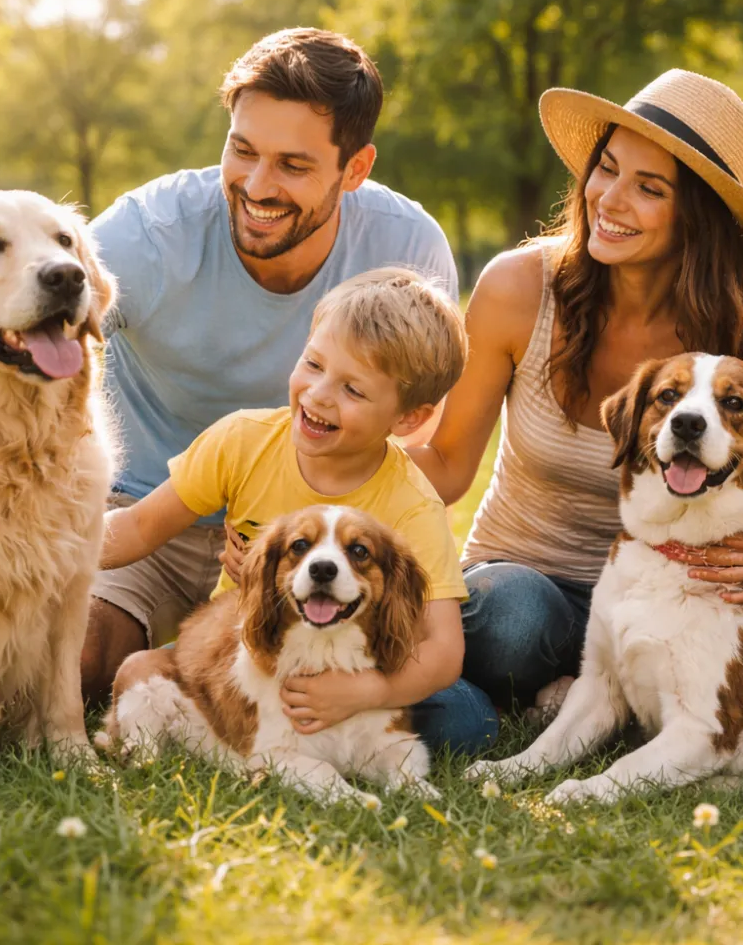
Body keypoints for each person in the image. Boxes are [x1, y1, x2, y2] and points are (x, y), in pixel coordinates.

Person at [406, 69, 743, 712]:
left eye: (649, 187)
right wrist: (315, 462)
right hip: (528, 583)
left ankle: (602, 691)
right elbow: (445, 465)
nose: (609, 198)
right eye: (607, 168)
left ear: (699, 218)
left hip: (679, 593)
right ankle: (570, 685)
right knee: (511, 621)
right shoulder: (521, 288)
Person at [81, 28, 457, 704]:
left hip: (316, 548)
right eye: (242, 149)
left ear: (356, 169)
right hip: (149, 511)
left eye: (293, 165)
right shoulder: (145, 236)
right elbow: (32, 351)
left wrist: (301, 532)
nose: (256, 185)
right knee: (79, 660)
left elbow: (414, 443)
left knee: (441, 708)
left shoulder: (407, 247)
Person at [102, 269, 496, 754]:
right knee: (138, 673)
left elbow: (443, 648)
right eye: (313, 364)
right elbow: (138, 527)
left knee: (468, 721)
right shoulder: (242, 440)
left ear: (407, 418)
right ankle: (262, 735)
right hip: (247, 656)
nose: (319, 394)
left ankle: (323, 733)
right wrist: (48, 547)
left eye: (353, 390)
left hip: (358, 663)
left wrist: (368, 691)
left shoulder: (413, 504)